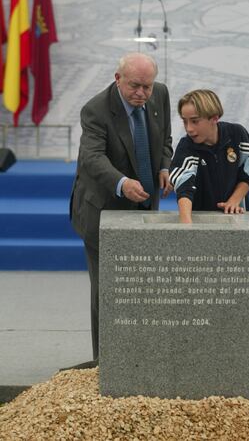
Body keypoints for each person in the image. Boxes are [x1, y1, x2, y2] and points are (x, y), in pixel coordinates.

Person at [70, 52, 172, 368]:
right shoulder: (96, 110)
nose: (142, 93)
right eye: (134, 86)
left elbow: (166, 139)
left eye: (147, 86)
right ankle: (106, 362)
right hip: (102, 209)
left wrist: (165, 166)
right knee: (107, 290)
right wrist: (122, 182)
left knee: (143, 285)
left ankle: (140, 355)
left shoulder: (161, 95)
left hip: (145, 206)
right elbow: (92, 158)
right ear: (118, 79)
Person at [169, 89, 249, 224]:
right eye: (184, 121)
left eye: (195, 121)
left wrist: (234, 201)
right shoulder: (186, 146)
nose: (188, 128)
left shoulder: (237, 134)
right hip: (201, 219)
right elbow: (184, 189)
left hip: (236, 217)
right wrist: (187, 227)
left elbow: (247, 176)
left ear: (214, 118)